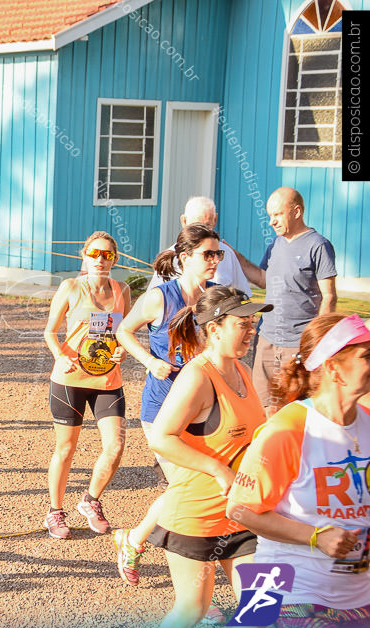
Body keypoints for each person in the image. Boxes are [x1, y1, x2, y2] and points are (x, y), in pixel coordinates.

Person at [227, 313, 370, 628]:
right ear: (334, 369)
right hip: (291, 591)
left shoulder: (367, 420)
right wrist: (316, 536)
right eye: (367, 356)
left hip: (357, 596)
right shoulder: (287, 429)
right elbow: (239, 509)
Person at [144, 286, 271, 628]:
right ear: (214, 328)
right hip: (196, 516)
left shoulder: (242, 370)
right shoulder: (198, 376)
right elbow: (160, 437)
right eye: (242, 323)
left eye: (253, 321)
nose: (252, 329)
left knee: (263, 609)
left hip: (242, 512)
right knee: (192, 610)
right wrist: (219, 469)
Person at [112, 224, 222, 586]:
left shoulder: (211, 300)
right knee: (188, 490)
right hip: (161, 412)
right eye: (208, 253)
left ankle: (133, 539)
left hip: (199, 410)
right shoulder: (161, 297)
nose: (215, 260)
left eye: (218, 253)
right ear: (185, 258)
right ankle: (194, 592)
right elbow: (123, 330)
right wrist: (149, 362)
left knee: (190, 490)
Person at [42, 232, 132, 539]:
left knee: (116, 446)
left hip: (108, 380)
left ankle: (90, 500)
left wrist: (122, 348)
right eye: (94, 253)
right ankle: (54, 512)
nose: (100, 260)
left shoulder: (123, 291)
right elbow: (50, 332)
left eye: (107, 255)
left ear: (114, 259)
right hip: (70, 379)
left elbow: (126, 333)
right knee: (66, 449)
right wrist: (59, 356)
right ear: (84, 255)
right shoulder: (70, 287)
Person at [237, 187, 337, 415]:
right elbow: (263, 279)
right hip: (267, 339)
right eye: (270, 215)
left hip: (299, 342)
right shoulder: (276, 244)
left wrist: (318, 340)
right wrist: (237, 257)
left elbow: (329, 295)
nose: (272, 221)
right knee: (263, 406)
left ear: (297, 211)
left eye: (277, 214)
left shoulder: (318, 245)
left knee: (296, 408)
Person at [146, 197, 252, 296]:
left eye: (206, 226)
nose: (215, 261)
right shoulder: (171, 257)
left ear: (215, 219)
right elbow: (152, 302)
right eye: (195, 227)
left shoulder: (227, 253)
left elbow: (243, 296)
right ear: (184, 221)